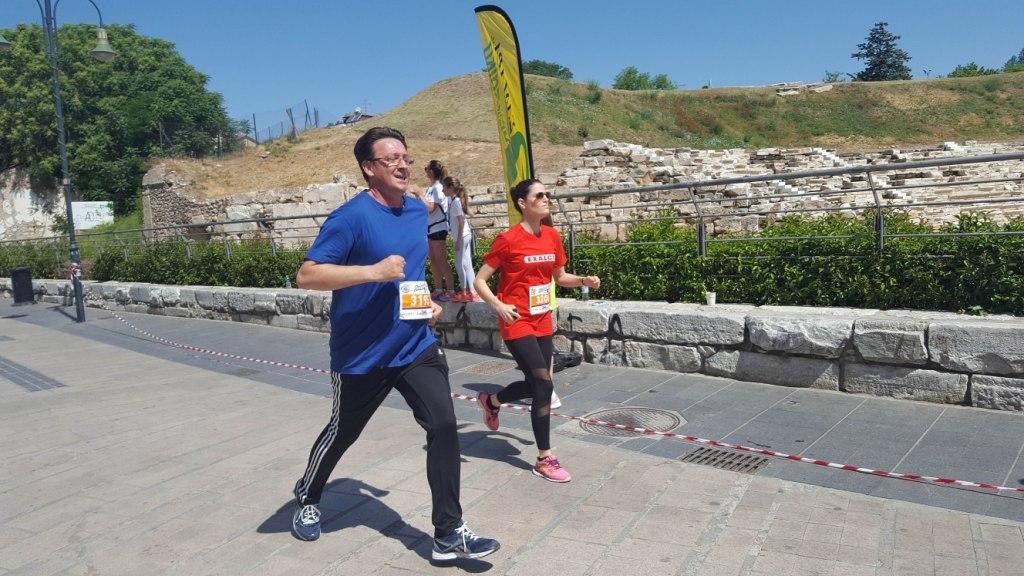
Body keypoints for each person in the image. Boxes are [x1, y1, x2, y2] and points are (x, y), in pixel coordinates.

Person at [291, 126, 500, 561]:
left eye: (406, 157)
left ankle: (448, 532)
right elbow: (307, 275)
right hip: (362, 353)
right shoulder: (349, 217)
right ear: (369, 168)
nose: (403, 165)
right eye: (392, 159)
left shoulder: (416, 211)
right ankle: (308, 494)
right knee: (343, 432)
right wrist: (372, 272)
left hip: (414, 344)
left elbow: (411, 272)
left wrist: (426, 302)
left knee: (443, 425)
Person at [472, 179, 601, 483]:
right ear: (522, 203)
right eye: (539, 195)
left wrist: (584, 280)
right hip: (516, 319)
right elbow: (479, 280)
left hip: (542, 318)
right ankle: (545, 458)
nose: (546, 199)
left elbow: (560, 277)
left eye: (547, 195)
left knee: (538, 385)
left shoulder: (552, 236)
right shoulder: (508, 239)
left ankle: (491, 401)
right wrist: (498, 305)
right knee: (543, 386)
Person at [442, 176, 481, 303]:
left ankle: (464, 292)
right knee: (467, 263)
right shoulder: (456, 201)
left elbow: (461, 221)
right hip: (465, 235)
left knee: (459, 264)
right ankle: (473, 292)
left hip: (462, 236)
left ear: (450, 187)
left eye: (444, 187)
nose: (442, 190)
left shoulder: (456, 202)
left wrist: (458, 240)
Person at [423, 160, 456, 302]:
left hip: (438, 227)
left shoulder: (437, 188)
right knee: (433, 259)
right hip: (431, 227)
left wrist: (418, 196)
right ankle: (438, 289)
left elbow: (431, 208)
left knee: (441, 259)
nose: (425, 171)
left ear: (431, 171)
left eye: (426, 168)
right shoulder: (432, 188)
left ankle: (451, 290)